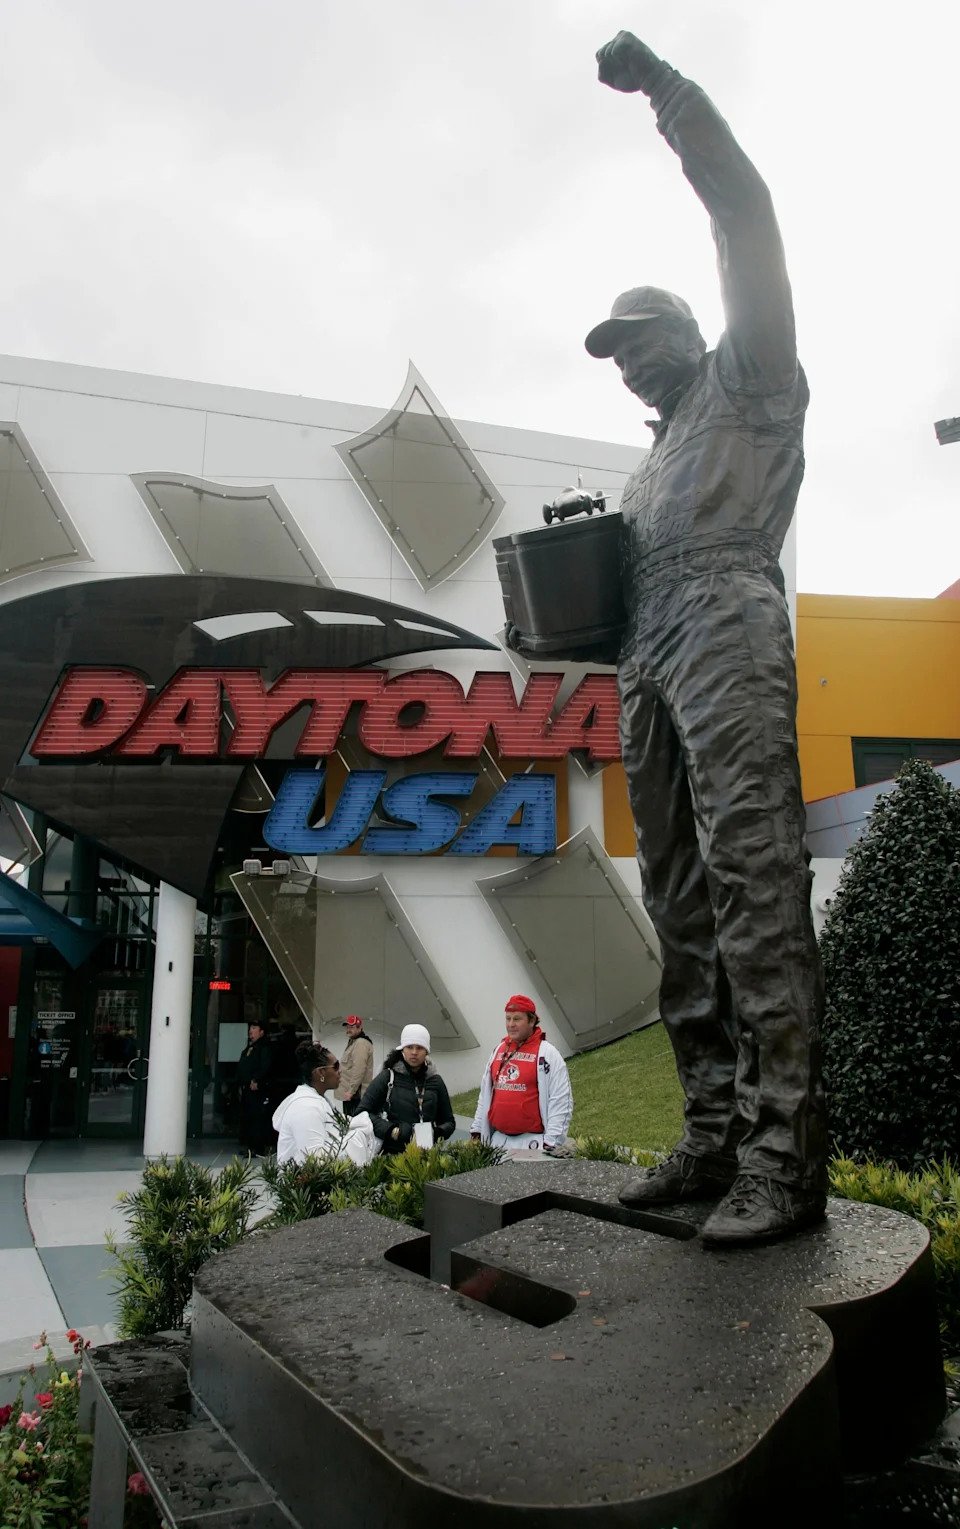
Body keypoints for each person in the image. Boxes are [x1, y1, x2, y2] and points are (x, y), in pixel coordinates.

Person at [581, 31, 828, 1244]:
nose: (628, 363)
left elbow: (749, 211)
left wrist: (668, 97)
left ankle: (783, 1157)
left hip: (729, 619)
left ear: (686, 327)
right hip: (648, 653)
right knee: (677, 897)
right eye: (615, 354)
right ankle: (713, 1130)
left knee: (751, 882)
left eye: (637, 338)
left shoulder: (752, 375)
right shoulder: (643, 468)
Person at [471, 996, 573, 1154]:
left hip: (533, 1143)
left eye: (517, 1019)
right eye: (508, 1019)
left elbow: (560, 1099)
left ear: (531, 1021)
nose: (511, 1024)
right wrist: (477, 1130)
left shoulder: (548, 1053)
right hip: (498, 1142)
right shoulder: (498, 1051)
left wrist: (552, 1141)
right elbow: (484, 1095)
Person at [272, 1041, 377, 1167]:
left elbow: (345, 1124)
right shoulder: (306, 1108)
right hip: (301, 1184)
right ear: (321, 1072)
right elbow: (314, 1160)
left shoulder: (319, 1100)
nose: (340, 1071)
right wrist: (358, 1136)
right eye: (336, 1066)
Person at [358, 1024, 456, 1154]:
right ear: (402, 1049)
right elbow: (362, 1113)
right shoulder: (387, 1077)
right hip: (391, 1156)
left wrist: (436, 1133)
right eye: (409, 1047)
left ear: (427, 1051)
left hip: (426, 1156)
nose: (414, 1052)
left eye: (420, 1047)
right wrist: (391, 1130)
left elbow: (448, 1121)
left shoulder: (435, 1081)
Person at [235, 1019, 273, 1154]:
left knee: (257, 1118)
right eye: (250, 1028)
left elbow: (265, 1066)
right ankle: (249, 1146)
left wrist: (256, 1080)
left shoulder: (264, 1047)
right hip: (246, 1088)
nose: (251, 1031)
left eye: (254, 1028)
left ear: (261, 1032)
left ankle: (257, 1147)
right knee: (247, 1117)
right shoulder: (250, 1047)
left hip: (257, 1089)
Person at [335, 1015, 374, 1117]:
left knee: (353, 1125)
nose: (348, 1029)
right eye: (347, 1027)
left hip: (355, 1096)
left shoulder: (360, 1043)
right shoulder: (354, 1042)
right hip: (352, 1095)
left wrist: (351, 1092)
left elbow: (359, 1069)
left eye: (352, 1027)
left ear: (360, 1028)